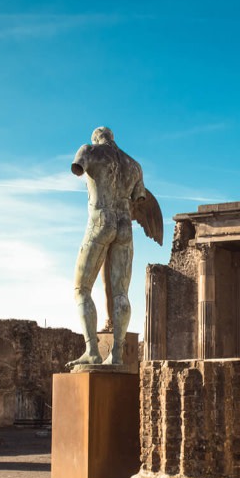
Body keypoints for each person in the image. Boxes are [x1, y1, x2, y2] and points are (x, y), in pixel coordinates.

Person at [67, 127, 146, 367]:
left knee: (81, 288)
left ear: (96, 137)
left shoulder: (89, 150)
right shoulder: (134, 165)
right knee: (121, 293)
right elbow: (138, 199)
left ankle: (92, 350)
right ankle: (118, 354)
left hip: (100, 221)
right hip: (125, 225)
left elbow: (77, 168)